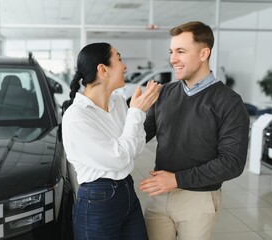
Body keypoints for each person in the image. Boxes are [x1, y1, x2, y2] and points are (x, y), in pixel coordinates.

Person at [139, 21, 250, 240]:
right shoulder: (164, 94)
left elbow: (232, 163)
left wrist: (177, 179)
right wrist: (133, 113)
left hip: (198, 198)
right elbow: (139, 136)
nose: (173, 59)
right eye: (171, 52)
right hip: (159, 194)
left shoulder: (229, 102)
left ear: (203, 53)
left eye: (181, 51)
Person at [62, 42, 161, 240]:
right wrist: (136, 113)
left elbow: (137, 146)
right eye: (119, 59)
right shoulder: (77, 116)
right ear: (102, 70)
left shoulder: (117, 104)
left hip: (127, 191)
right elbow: (120, 157)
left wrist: (134, 115)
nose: (125, 66)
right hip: (97, 200)